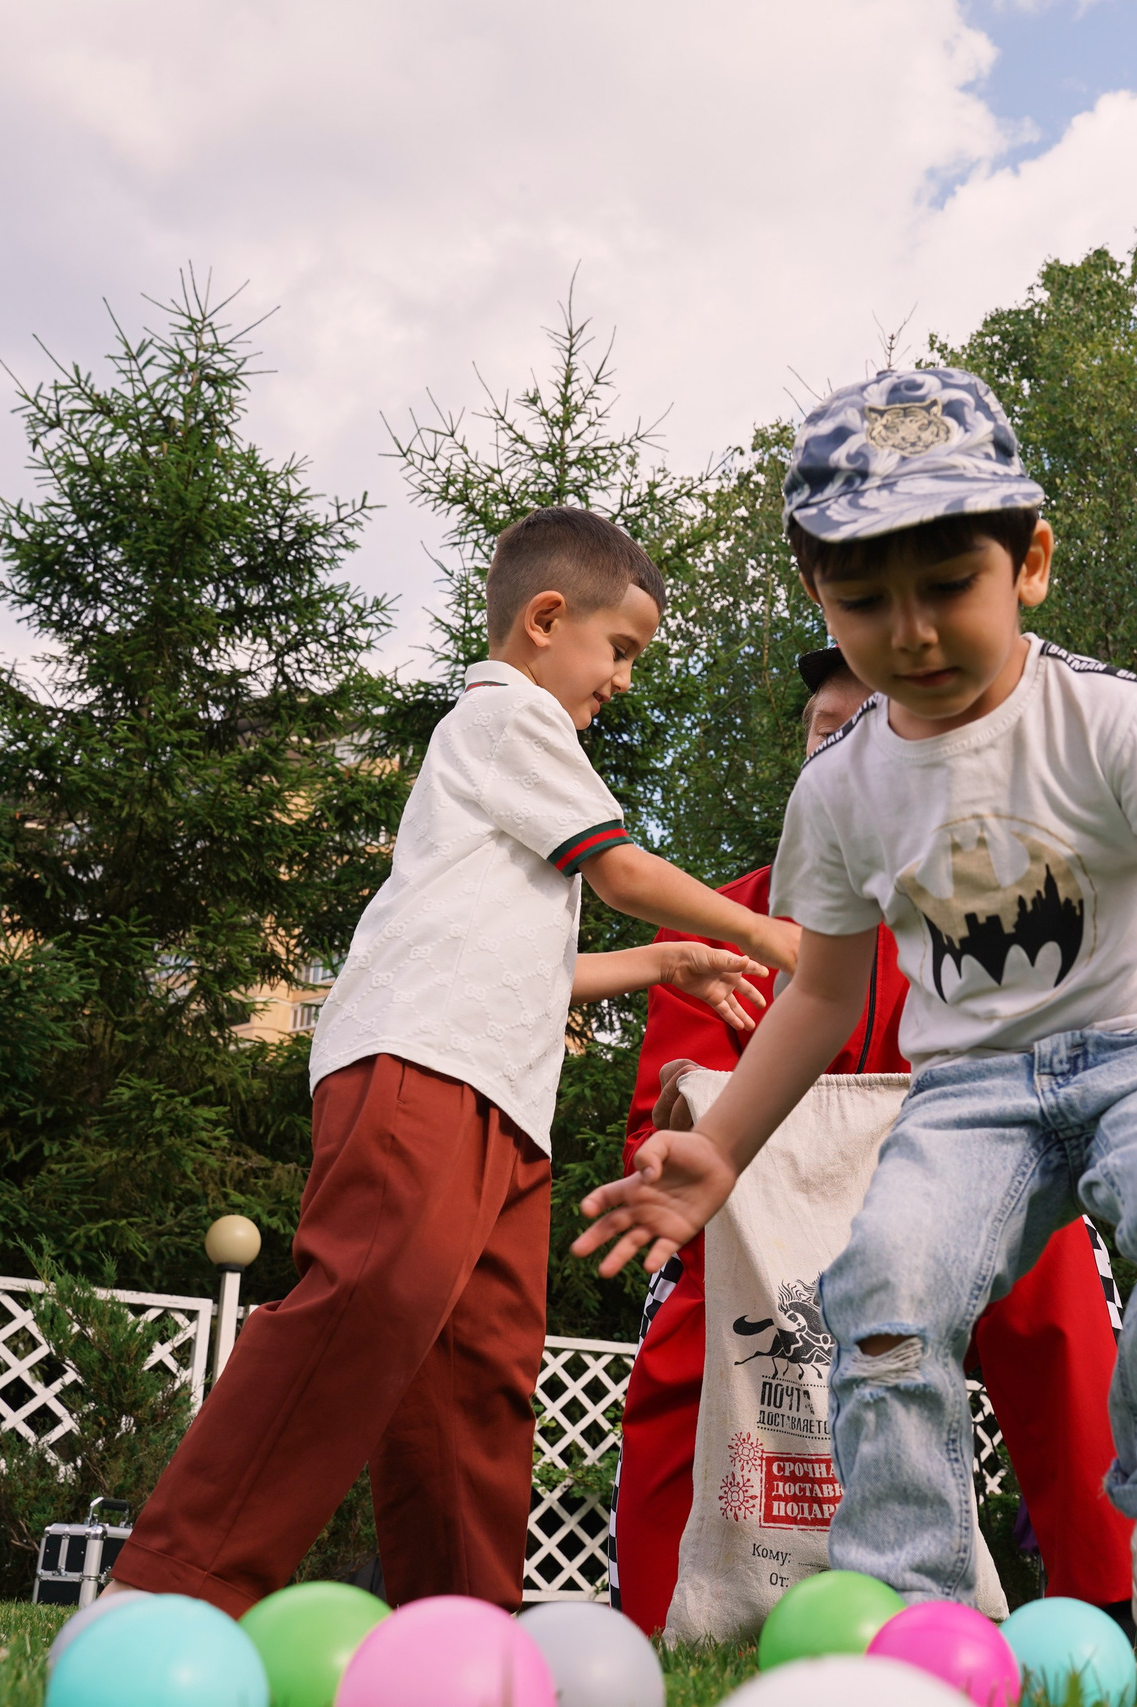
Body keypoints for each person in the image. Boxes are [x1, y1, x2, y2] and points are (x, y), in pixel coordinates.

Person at [575, 371, 1137, 1676]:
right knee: (882, 1282)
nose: (913, 631)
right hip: (966, 1093)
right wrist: (721, 1152)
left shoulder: (1106, 719)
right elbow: (823, 995)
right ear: (818, 599)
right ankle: (920, 1602)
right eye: (864, 601)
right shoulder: (840, 788)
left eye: (947, 582)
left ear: (1031, 562)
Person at [111, 506, 800, 1617]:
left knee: (477, 1376)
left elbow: (532, 965)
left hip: (499, 1091)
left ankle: (461, 1631)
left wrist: (665, 961)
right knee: (367, 1304)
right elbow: (619, 871)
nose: (621, 679)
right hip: (420, 1061)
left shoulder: (520, 759)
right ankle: (169, 1587)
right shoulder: (507, 718)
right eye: (618, 650)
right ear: (543, 620)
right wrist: (765, 933)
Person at [610, 646, 1134, 1635]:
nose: (842, 747)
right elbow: (669, 1110)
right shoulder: (728, 917)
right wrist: (675, 1148)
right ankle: (654, 1614)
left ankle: (1110, 1595)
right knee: (682, 1291)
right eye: (823, 731)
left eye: (869, 729)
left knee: (1060, 1263)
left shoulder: (990, 907)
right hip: (760, 1208)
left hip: (947, 1193)